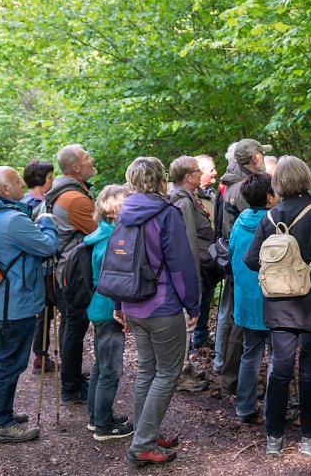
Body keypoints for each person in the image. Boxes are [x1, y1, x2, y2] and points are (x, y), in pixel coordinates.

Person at [244, 156, 311, 457]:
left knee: (280, 370)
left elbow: (251, 261)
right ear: (306, 179)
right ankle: (309, 437)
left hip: (278, 304)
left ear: (277, 184)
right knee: (310, 370)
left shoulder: (269, 218)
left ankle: (274, 438)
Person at [117, 157, 200, 466]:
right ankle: (142, 445)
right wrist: (192, 303)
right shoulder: (166, 214)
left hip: (133, 303)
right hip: (161, 305)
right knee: (167, 373)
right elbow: (181, 265)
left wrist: (118, 305)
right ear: (161, 179)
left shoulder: (124, 213)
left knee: (147, 371)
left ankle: (146, 432)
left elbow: (118, 262)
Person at [0, 167, 59, 443]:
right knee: (9, 364)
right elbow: (47, 247)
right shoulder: (12, 220)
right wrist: (47, 219)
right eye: (16, 180)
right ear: (4, 191)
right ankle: (2, 424)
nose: (22, 183)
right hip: (16, 304)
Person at [214, 138, 272, 395]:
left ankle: (233, 378)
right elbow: (252, 229)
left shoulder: (231, 183)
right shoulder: (244, 188)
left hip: (236, 261)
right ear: (255, 158)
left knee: (238, 320)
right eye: (261, 154)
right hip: (246, 264)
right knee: (242, 323)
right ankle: (233, 380)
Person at [45, 144, 98, 406]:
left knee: (71, 324)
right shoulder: (74, 198)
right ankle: (71, 388)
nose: (92, 160)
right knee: (75, 325)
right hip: (73, 273)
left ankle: (72, 378)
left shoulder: (62, 192)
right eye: (87, 157)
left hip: (64, 270)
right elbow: (99, 228)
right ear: (76, 167)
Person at [84, 184, 134, 441]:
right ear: (115, 210)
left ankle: (97, 418)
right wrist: (121, 310)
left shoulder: (101, 234)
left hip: (99, 308)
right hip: (107, 311)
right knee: (110, 369)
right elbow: (113, 280)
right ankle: (103, 425)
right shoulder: (110, 241)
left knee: (101, 366)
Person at [230, 172, 276, 423]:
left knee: (250, 353)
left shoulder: (240, 222)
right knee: (277, 356)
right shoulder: (273, 224)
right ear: (270, 198)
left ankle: (244, 406)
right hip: (271, 298)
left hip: (246, 300)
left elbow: (232, 255)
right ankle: (274, 407)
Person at [169, 156, 212, 393]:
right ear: (187, 177)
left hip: (194, 269)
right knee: (186, 324)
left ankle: (183, 368)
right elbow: (187, 243)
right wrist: (192, 279)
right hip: (189, 271)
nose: (200, 173)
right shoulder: (182, 202)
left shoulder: (188, 196)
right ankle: (180, 374)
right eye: (197, 171)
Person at [20, 160, 58, 373]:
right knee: (44, 312)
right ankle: (40, 356)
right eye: (51, 177)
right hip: (43, 267)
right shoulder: (32, 204)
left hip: (44, 266)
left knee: (48, 311)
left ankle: (41, 355)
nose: (52, 180)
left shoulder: (31, 201)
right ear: (41, 179)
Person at [193, 154, 218, 349]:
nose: (215, 173)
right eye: (211, 170)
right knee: (198, 299)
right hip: (198, 258)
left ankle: (200, 337)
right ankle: (193, 341)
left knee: (207, 298)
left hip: (211, 257)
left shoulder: (212, 194)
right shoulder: (189, 198)